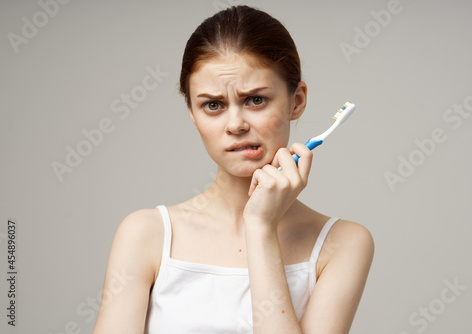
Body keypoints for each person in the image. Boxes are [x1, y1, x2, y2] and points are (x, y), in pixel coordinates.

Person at [93, 5, 374, 334]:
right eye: (213, 105)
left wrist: (260, 227)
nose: (236, 125)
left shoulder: (344, 243)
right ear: (192, 113)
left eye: (255, 100)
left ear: (296, 101)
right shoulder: (144, 234)